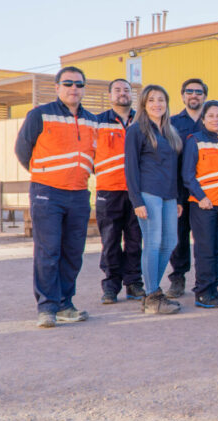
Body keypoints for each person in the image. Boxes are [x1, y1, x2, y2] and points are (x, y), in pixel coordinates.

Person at [14, 66, 98, 328]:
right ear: (57, 87)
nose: (74, 88)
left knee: (73, 252)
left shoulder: (92, 120)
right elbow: (22, 151)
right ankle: (47, 307)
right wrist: (45, 175)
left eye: (79, 84)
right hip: (47, 193)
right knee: (48, 251)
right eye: (68, 83)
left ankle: (65, 303)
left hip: (79, 194)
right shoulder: (39, 114)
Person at [124, 84, 184, 315]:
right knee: (153, 241)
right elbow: (130, 168)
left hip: (169, 195)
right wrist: (136, 200)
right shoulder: (136, 130)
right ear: (143, 104)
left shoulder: (170, 131)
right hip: (148, 194)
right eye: (151, 100)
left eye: (161, 100)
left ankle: (152, 293)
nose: (157, 104)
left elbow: (174, 169)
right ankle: (152, 296)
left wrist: (177, 198)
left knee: (169, 242)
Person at [94, 78, 145, 304]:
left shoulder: (142, 120)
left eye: (126, 90)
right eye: (117, 90)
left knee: (135, 239)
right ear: (110, 95)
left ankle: (134, 283)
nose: (122, 93)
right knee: (111, 240)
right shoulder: (97, 122)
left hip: (137, 191)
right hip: (109, 191)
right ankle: (111, 286)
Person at [182, 100, 218, 308]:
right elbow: (188, 175)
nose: (215, 119)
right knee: (205, 249)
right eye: (211, 116)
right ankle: (203, 292)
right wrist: (201, 197)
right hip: (204, 205)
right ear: (203, 119)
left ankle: (213, 286)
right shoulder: (194, 140)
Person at [166, 78, 208, 298]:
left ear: (204, 97)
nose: (194, 95)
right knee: (179, 236)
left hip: (205, 189)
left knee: (205, 237)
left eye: (199, 92)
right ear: (182, 96)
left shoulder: (212, 120)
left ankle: (207, 279)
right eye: (189, 91)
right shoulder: (171, 123)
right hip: (180, 189)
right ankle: (178, 278)